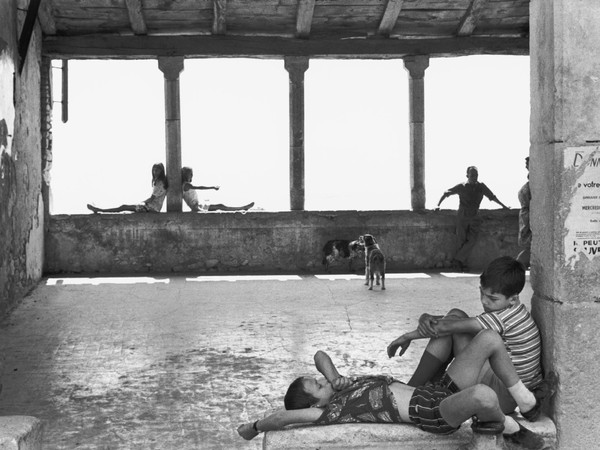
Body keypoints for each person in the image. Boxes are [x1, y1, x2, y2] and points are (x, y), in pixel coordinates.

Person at [237, 344, 546, 449]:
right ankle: (513, 430)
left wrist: (333, 378)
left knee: (488, 340)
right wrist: (253, 427)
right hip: (434, 413)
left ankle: (525, 402)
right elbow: (281, 418)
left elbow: (320, 355)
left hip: (436, 391)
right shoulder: (329, 413)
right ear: (315, 403)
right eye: (317, 386)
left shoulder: (341, 386)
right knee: (483, 394)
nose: (321, 380)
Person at [387, 256, 552, 417]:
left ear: (513, 299)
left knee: (466, 331)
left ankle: (412, 390)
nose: (484, 301)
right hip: (503, 387)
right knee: (456, 315)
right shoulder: (514, 312)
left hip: (503, 398)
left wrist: (408, 336)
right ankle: (419, 390)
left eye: (492, 298)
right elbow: (456, 322)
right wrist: (425, 317)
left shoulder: (503, 318)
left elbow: (448, 326)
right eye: (482, 293)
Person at [435, 166, 509, 271]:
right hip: (463, 215)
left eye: (476, 175)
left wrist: (504, 206)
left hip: (475, 215)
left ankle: (458, 260)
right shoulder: (462, 186)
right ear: (467, 175)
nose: (475, 177)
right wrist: (438, 205)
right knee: (461, 239)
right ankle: (460, 263)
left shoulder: (481, 187)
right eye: (472, 175)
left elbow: (492, 197)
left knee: (472, 239)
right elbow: (446, 193)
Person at [87, 163, 168, 213]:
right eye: (154, 170)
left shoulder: (159, 183)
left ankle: (100, 210)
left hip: (151, 209)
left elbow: (151, 199)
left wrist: (142, 202)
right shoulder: (159, 182)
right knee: (125, 208)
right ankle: (100, 209)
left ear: (161, 171)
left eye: (157, 170)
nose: (155, 172)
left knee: (123, 207)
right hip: (152, 208)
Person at [181, 166, 254, 212]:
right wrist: (212, 187)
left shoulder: (186, 185)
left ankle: (242, 208)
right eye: (190, 174)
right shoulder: (186, 185)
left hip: (199, 205)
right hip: (196, 207)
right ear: (186, 174)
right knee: (220, 206)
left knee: (221, 206)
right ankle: (242, 208)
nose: (192, 176)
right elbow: (200, 187)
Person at [516, 157, 531, 268]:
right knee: (529, 246)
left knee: (530, 246)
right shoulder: (532, 182)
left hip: (528, 214)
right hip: (528, 215)